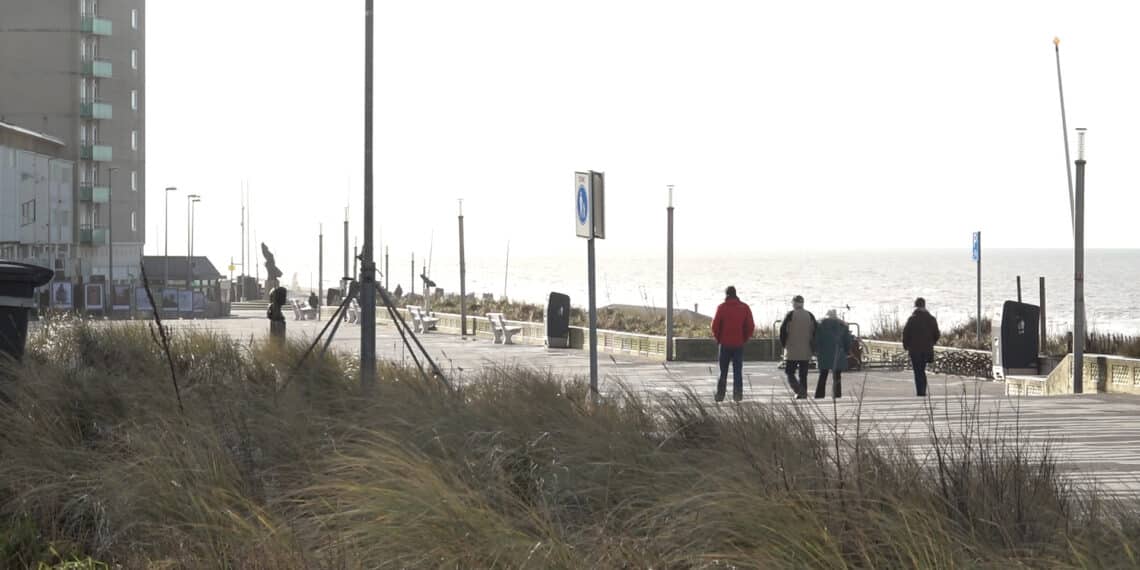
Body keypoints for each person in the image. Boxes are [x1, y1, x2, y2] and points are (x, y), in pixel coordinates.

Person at [711, 286, 756, 402]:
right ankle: (737, 395)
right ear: (736, 294)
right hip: (738, 344)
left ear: (726, 295)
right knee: (737, 371)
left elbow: (715, 326)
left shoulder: (721, 308)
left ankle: (720, 395)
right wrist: (744, 338)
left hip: (724, 343)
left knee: (723, 371)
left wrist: (719, 339)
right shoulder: (744, 307)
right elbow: (750, 326)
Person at [902, 297, 941, 397]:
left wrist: (906, 346)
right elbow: (937, 334)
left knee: (917, 370)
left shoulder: (912, 319)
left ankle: (920, 391)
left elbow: (906, 334)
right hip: (927, 349)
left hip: (915, 350)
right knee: (922, 369)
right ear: (924, 305)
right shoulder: (931, 319)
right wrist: (931, 343)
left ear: (916, 306)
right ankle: (922, 390)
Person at [780, 295, 816, 399]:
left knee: (789, 372)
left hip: (792, 349)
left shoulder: (790, 315)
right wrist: (814, 347)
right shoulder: (810, 315)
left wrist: (784, 344)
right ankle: (803, 392)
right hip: (806, 349)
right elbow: (815, 332)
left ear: (794, 303)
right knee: (803, 374)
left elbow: (783, 331)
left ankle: (798, 390)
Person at [813, 309, 852, 399]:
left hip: (823, 353)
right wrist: (846, 351)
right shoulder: (843, 326)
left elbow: (816, 340)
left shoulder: (820, 325)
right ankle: (837, 395)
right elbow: (847, 341)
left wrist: (815, 351)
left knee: (823, 375)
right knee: (837, 376)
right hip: (838, 353)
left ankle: (819, 395)